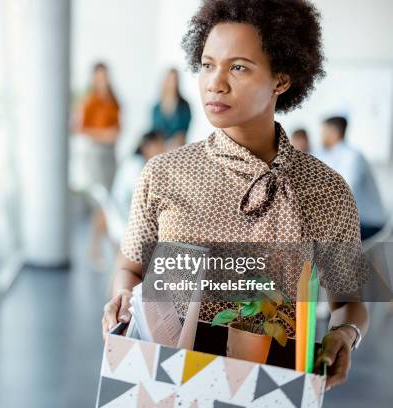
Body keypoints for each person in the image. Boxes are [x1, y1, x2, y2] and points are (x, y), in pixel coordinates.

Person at [102, 0, 368, 392]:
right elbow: (130, 270)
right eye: (208, 64)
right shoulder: (164, 174)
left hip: (274, 384)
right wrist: (121, 300)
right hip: (165, 380)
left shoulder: (325, 190)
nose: (215, 81)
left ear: (281, 79)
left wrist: (345, 334)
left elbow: (350, 300)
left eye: (238, 67)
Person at [74, 62, 121, 268]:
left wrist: (111, 135)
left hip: (110, 155)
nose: (102, 80)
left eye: (105, 76)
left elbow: (119, 127)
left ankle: (100, 247)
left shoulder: (113, 100)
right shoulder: (89, 101)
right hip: (95, 155)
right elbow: (81, 129)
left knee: (108, 201)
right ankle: (105, 247)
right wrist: (103, 134)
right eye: (99, 76)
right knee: (102, 202)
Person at [315, 116, 386, 240]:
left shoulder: (352, 156)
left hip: (369, 223)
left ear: (333, 133)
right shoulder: (330, 155)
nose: (320, 136)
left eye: (323, 132)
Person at [111, 131, 166, 233]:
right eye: (159, 145)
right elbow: (143, 194)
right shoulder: (135, 165)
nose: (163, 150)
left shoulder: (140, 163)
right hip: (126, 218)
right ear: (147, 147)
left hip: (131, 215)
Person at [151, 68, 192, 150]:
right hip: (160, 147)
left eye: (174, 80)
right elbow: (155, 132)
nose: (172, 83)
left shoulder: (184, 106)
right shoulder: (156, 108)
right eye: (169, 80)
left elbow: (183, 133)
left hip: (178, 147)